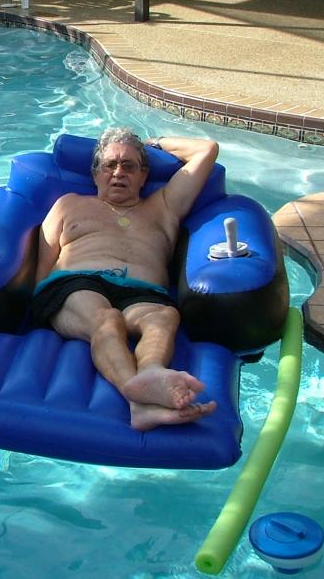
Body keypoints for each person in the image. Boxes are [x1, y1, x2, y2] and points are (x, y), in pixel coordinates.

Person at [33, 127, 219, 431]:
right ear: (95, 174)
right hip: (76, 284)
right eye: (109, 165)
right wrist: (39, 309)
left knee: (164, 316)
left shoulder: (164, 206)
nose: (118, 172)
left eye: (129, 166)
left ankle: (152, 373)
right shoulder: (68, 204)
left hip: (143, 292)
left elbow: (207, 149)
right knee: (107, 319)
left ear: (144, 176)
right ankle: (138, 401)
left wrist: (155, 143)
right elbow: (42, 267)